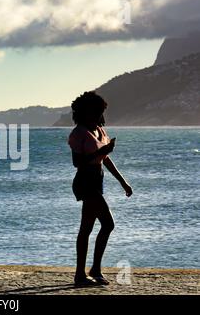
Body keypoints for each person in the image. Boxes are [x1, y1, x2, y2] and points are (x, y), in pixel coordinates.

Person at [68, 91, 133, 286]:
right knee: (108, 223)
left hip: (98, 180)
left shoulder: (99, 130)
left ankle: (87, 273)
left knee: (86, 228)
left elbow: (105, 160)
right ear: (86, 111)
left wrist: (123, 182)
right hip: (85, 181)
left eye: (100, 112)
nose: (99, 116)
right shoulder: (78, 133)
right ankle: (88, 271)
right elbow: (77, 162)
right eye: (96, 111)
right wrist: (103, 151)